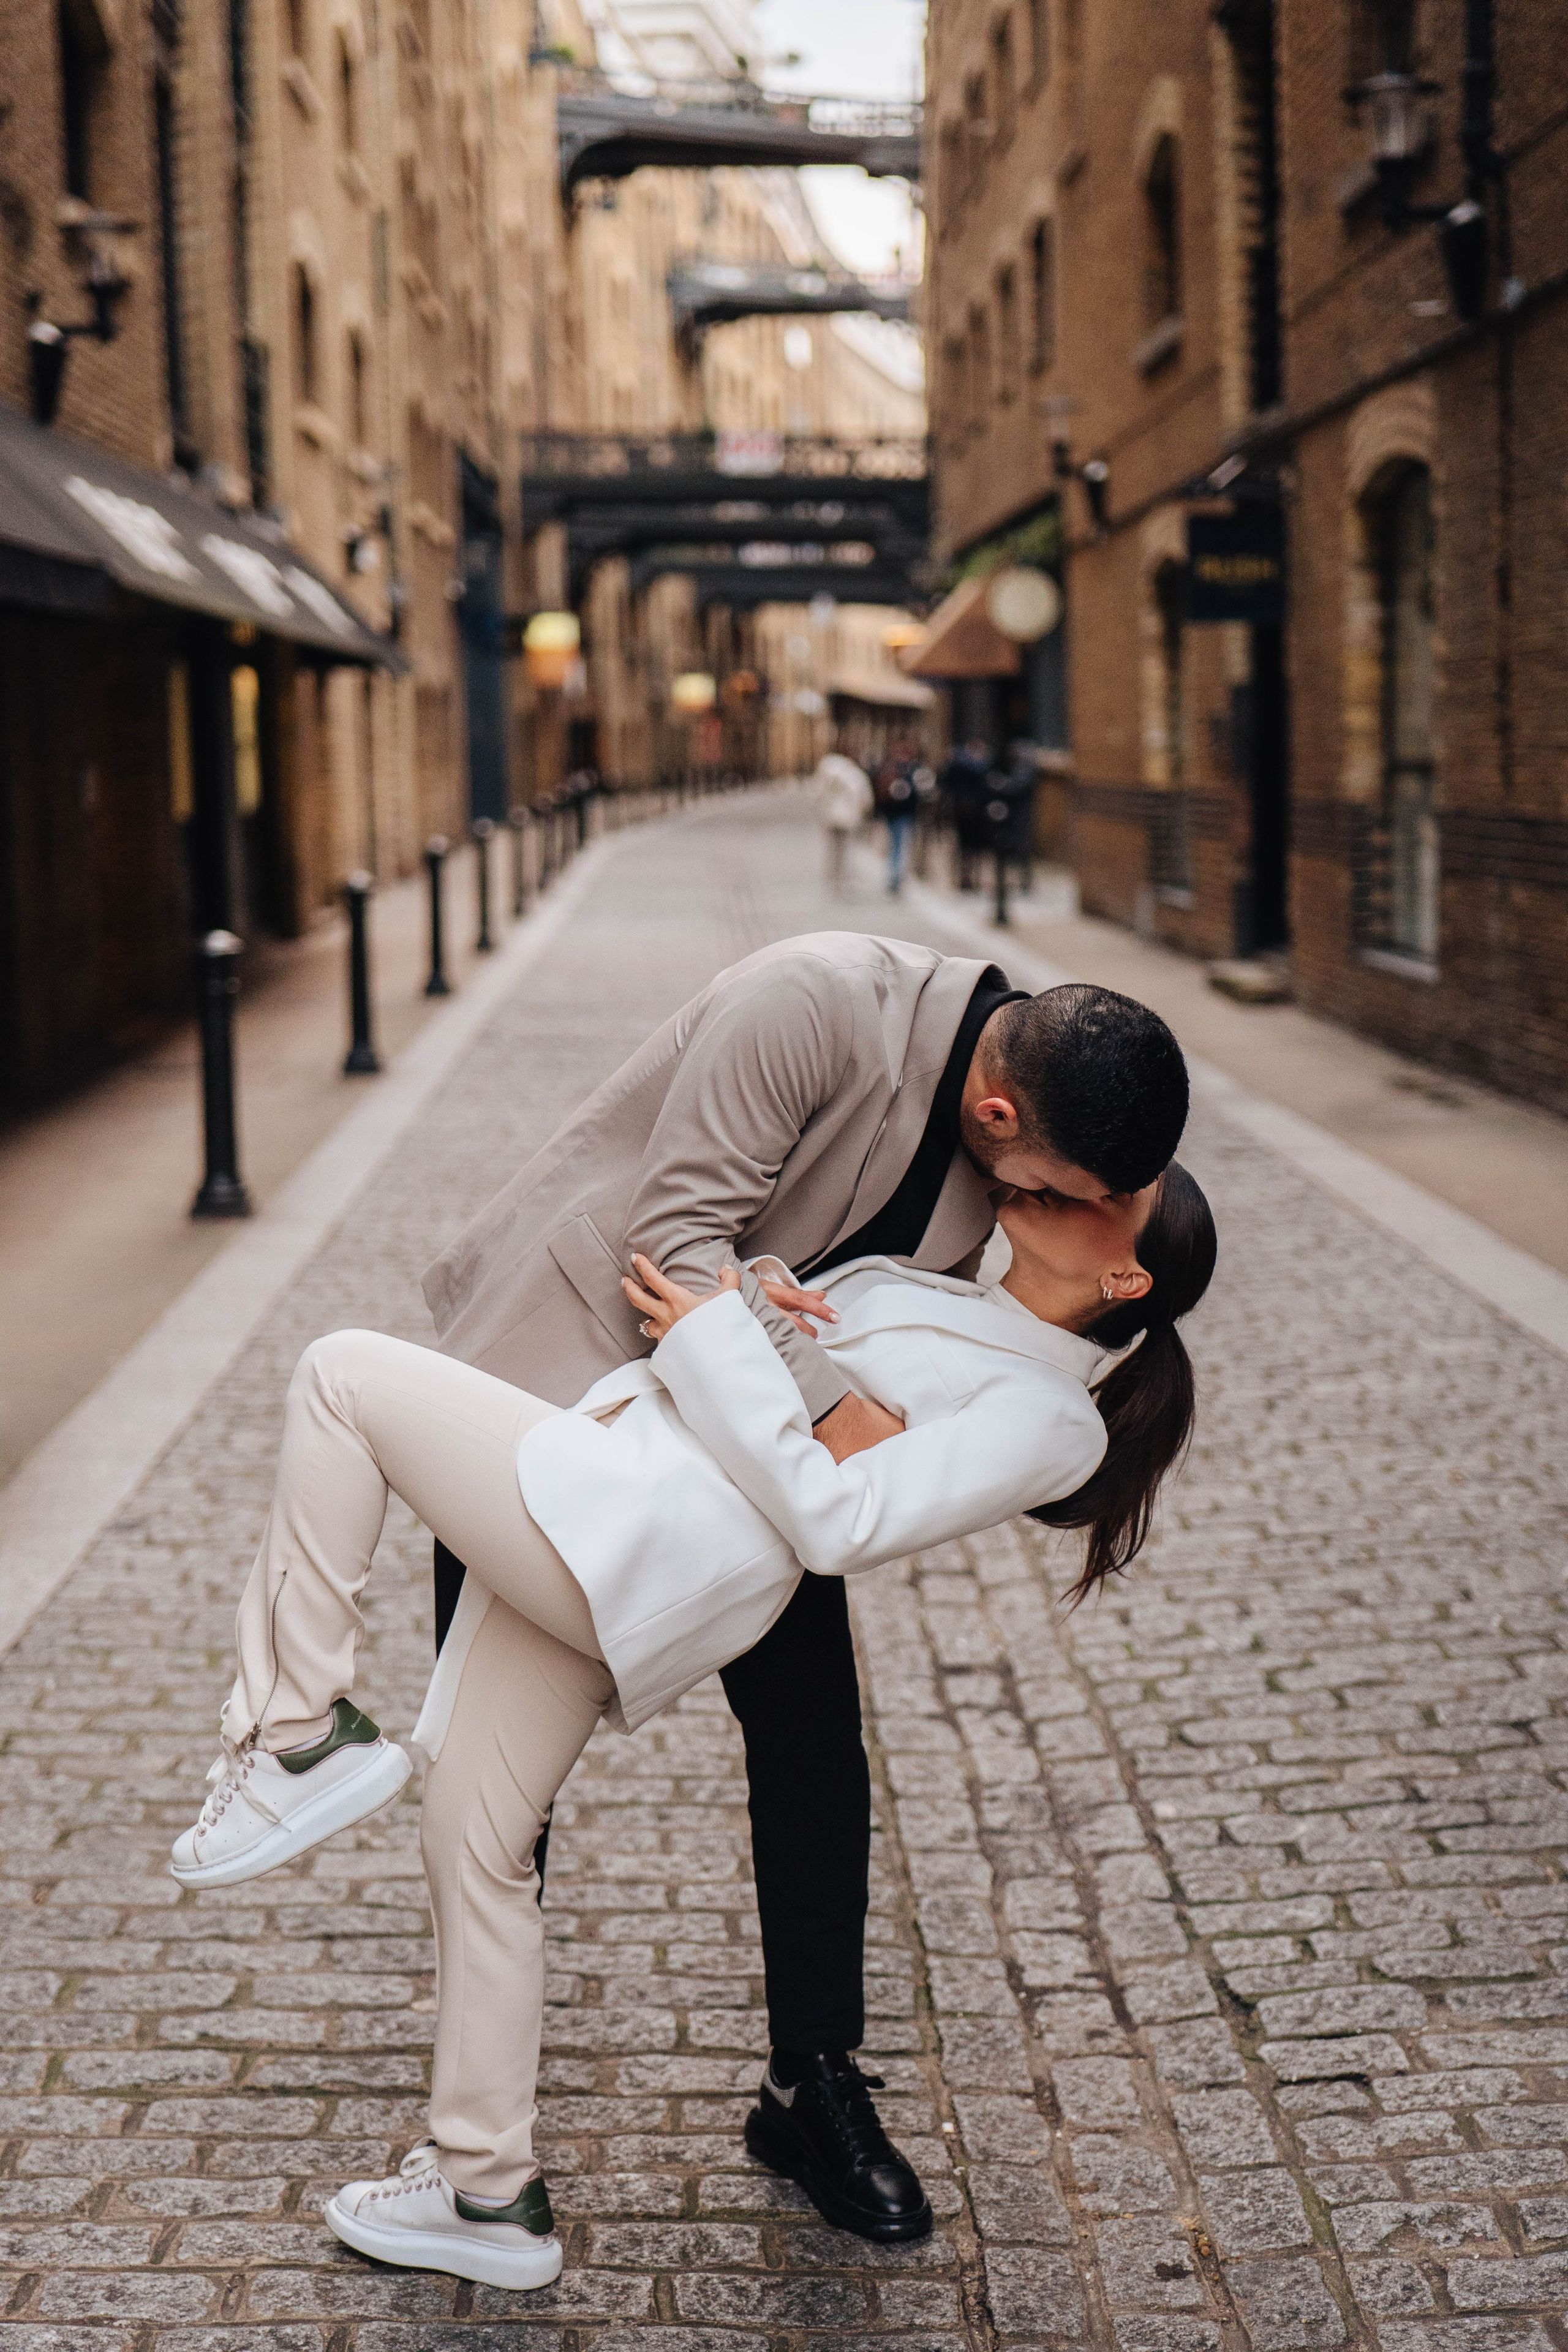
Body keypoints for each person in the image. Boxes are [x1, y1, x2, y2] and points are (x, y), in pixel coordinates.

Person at [171, 1161, 1216, 2293]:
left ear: (1126, 1272)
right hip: (624, 1505)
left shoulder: (1055, 1420)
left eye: (1116, 1189)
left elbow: (835, 1516)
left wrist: (718, 1336)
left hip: (640, 1526)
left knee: (341, 1376)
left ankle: (290, 1730)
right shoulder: (948, 1289)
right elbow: (794, 1371)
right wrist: (762, 1295)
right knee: (475, 1834)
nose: (1074, 1174)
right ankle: (485, 2192)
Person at [421, 941, 1190, 2243]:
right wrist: (829, 1404)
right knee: (488, 1792)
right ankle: (468, 2137)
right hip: (549, 1387)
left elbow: (893, 1313)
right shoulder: (816, 1003)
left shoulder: (1025, 1137)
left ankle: (809, 2080)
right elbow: (672, 1234)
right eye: (1061, 1189)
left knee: (814, 1751)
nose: (1048, 1211)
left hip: (734, 1462)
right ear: (1003, 1118)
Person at [810, 742, 873, 893]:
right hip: (848, 819)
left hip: (830, 817)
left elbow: (816, 794)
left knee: (832, 848)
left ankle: (833, 877)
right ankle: (843, 878)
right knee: (846, 849)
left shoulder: (826, 773)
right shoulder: (855, 775)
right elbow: (865, 799)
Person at [941, 736, 995, 891]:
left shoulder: (957, 763)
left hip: (962, 809)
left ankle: (965, 877)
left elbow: (947, 783)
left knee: (965, 846)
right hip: (973, 811)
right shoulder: (978, 766)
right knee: (971, 846)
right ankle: (968, 878)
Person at [873, 734, 921, 895]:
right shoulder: (911, 769)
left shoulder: (889, 766)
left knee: (895, 845)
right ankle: (896, 877)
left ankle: (894, 876)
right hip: (902, 813)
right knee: (900, 845)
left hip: (892, 813)